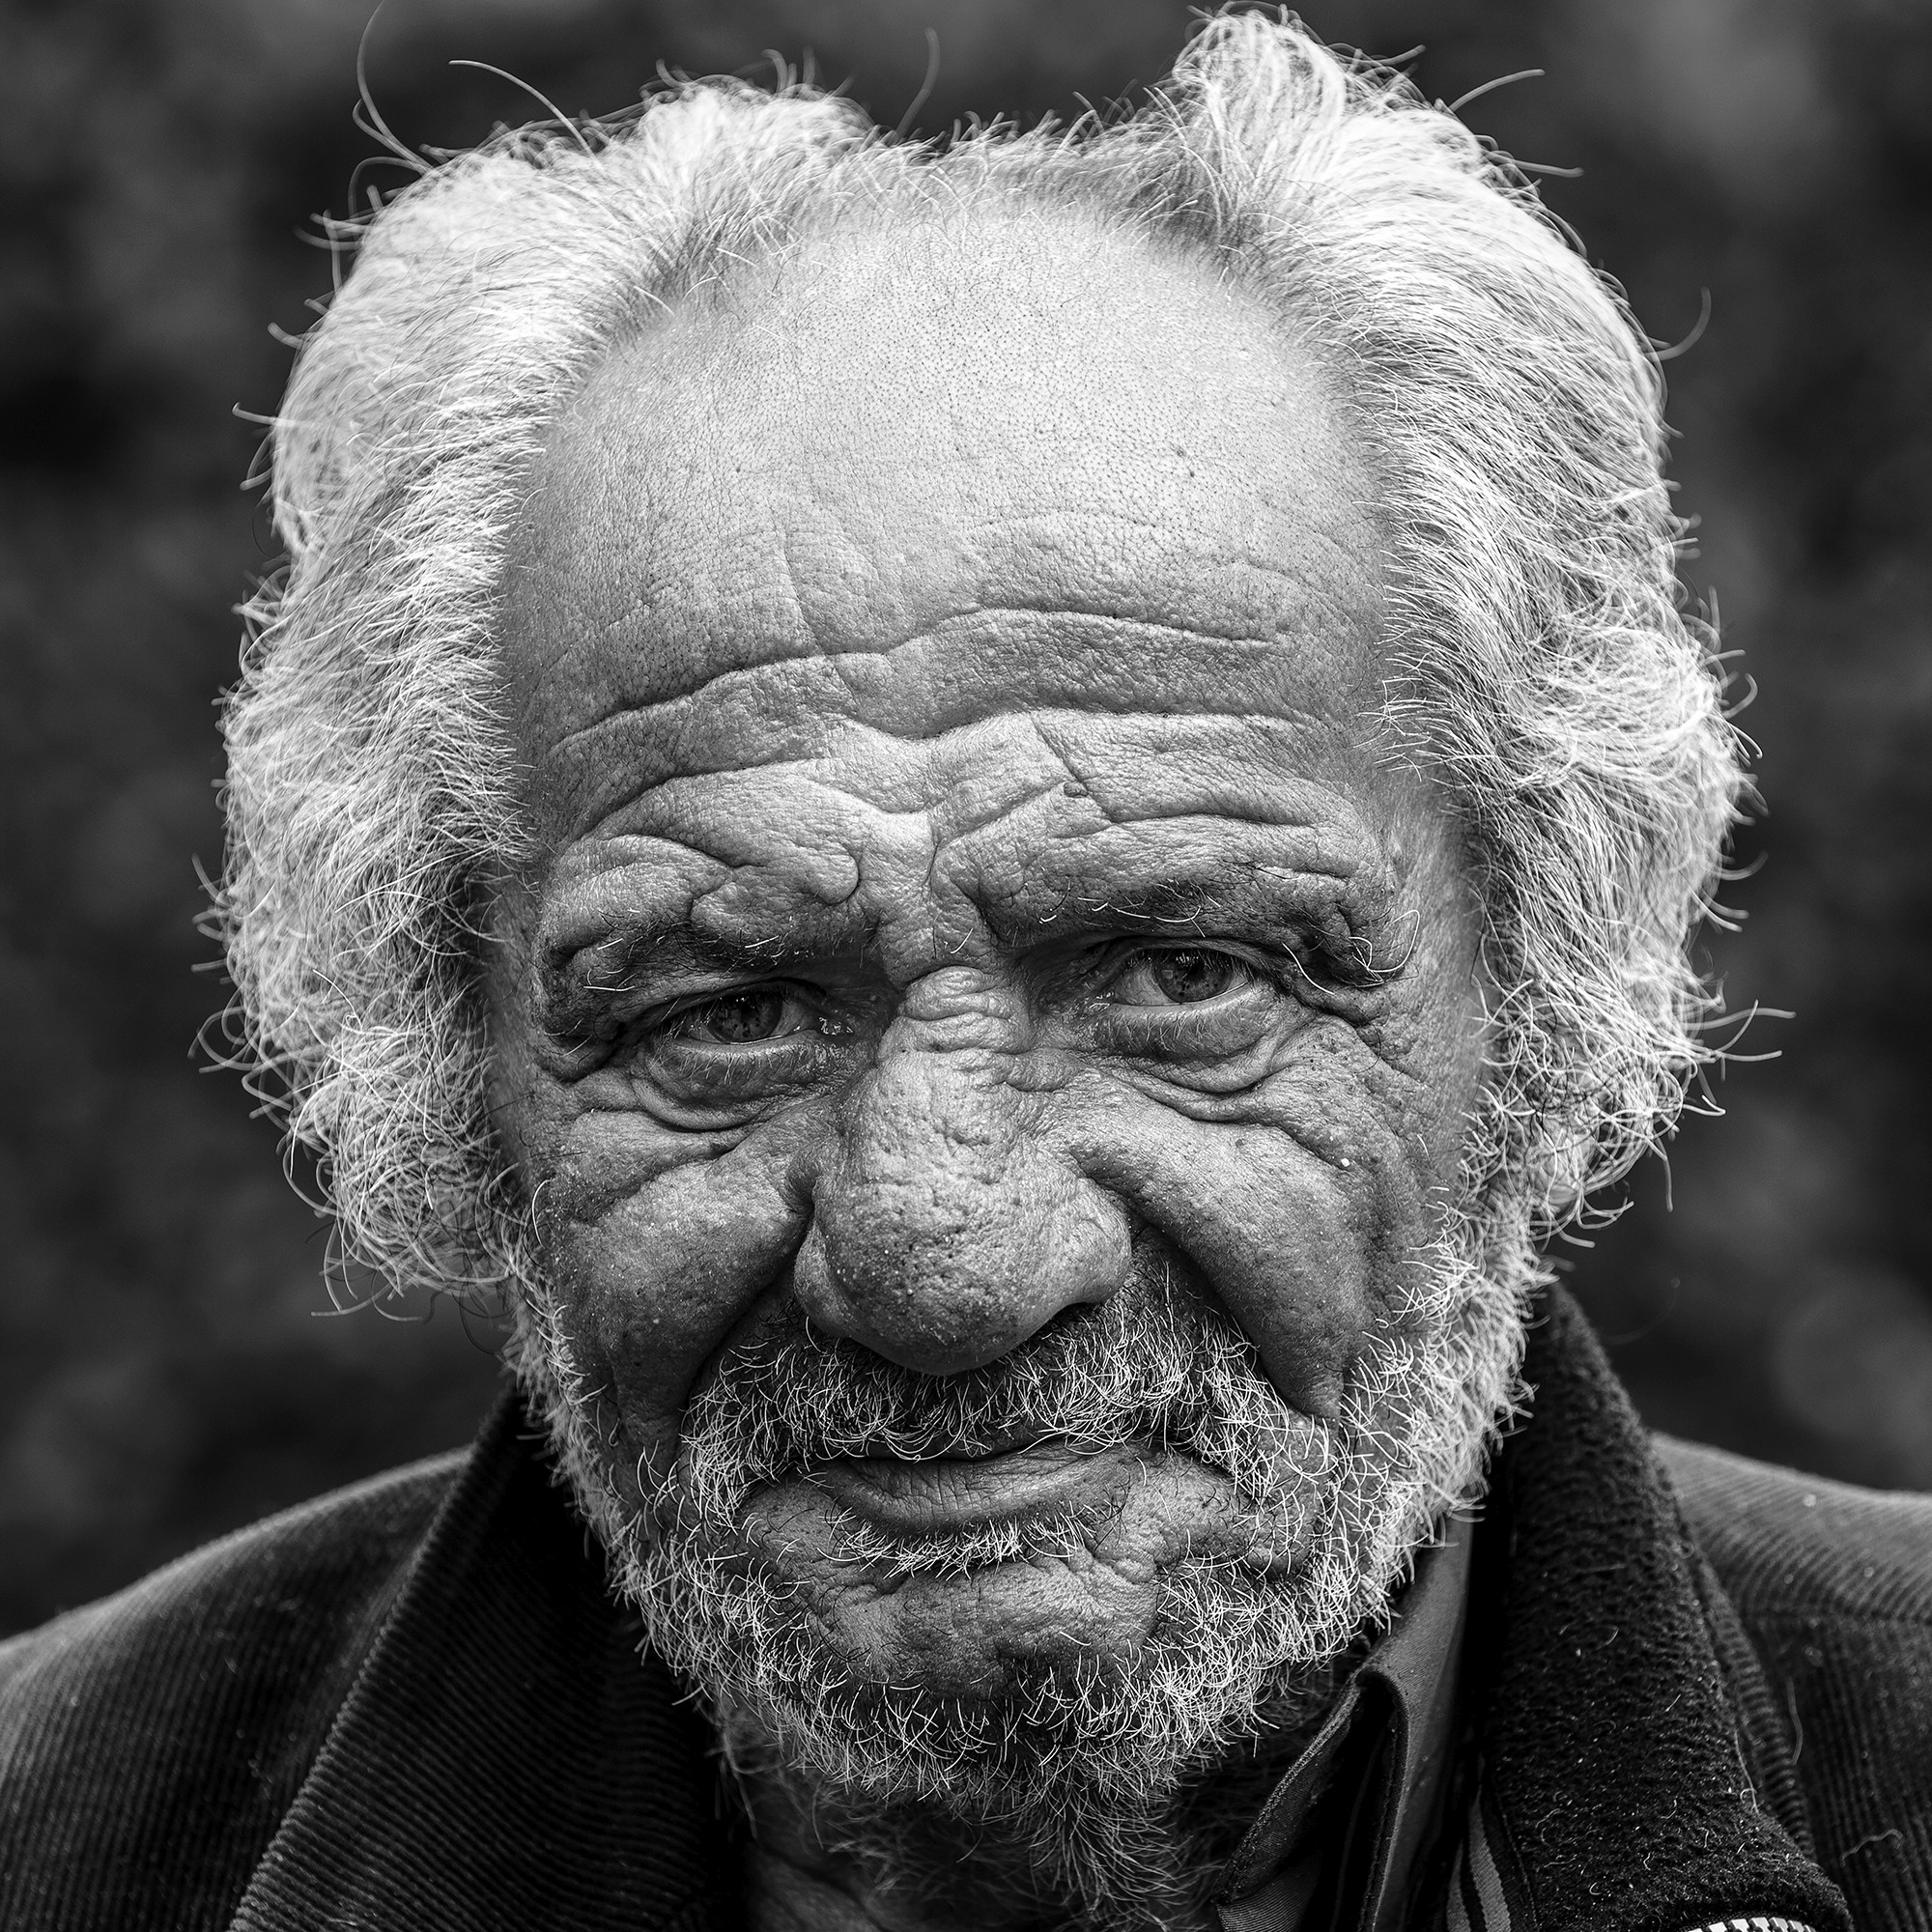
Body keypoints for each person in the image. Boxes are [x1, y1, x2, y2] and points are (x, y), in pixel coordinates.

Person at [1, 12, 1926, 1930]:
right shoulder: (63, 1828)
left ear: (1538, 989)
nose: (944, 1263)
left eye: (1178, 972)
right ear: (459, 1068)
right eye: (726, 1011)